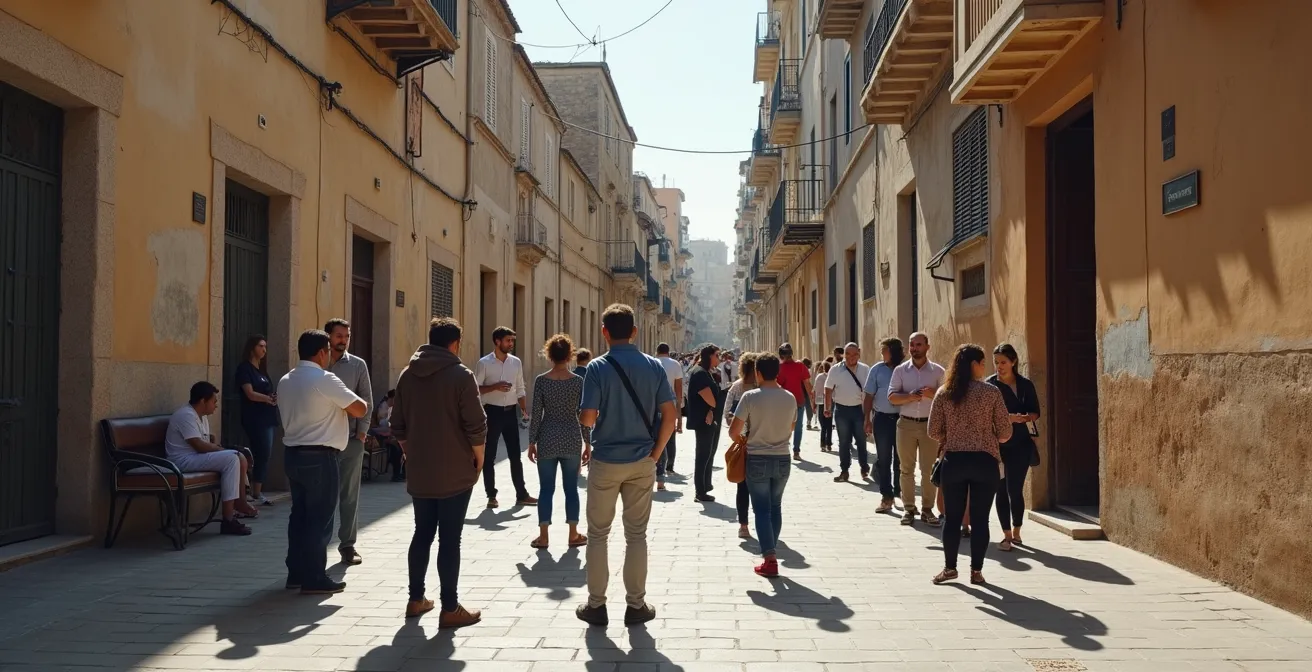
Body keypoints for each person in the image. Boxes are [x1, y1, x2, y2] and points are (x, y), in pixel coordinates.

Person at [576, 304, 677, 627]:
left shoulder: (596, 368)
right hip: (641, 461)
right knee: (637, 535)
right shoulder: (653, 367)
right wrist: (656, 453)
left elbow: (588, 417)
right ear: (634, 331)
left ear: (604, 332)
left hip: (606, 461)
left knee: (598, 534)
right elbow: (671, 416)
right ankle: (636, 606)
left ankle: (596, 605)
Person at [391, 318, 485, 627]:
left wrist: (410, 452)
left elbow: (397, 425)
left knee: (422, 532)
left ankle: (415, 598)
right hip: (456, 470)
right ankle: (450, 607)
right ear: (455, 343)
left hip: (421, 469)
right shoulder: (461, 375)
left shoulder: (407, 375)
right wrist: (479, 459)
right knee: (450, 539)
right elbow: (476, 425)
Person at [279, 329, 368, 595]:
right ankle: (315, 576)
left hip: (293, 453)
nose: (330, 355)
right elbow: (360, 408)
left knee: (300, 516)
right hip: (320, 456)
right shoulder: (325, 379)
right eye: (329, 350)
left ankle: (295, 572)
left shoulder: (286, 379)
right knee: (320, 518)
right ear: (321, 352)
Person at [928, 344, 1012, 585]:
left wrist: (951, 435)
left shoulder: (945, 392)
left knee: (952, 518)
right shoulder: (991, 392)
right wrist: (990, 436)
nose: (986, 367)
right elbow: (1005, 431)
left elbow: (933, 430)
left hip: (954, 461)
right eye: (983, 362)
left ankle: (949, 568)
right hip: (985, 462)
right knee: (980, 518)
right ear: (974, 365)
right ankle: (976, 571)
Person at [728, 353, 796, 578]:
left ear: (757, 372)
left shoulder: (750, 397)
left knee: (761, 510)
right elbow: (791, 427)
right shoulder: (790, 397)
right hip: (782, 457)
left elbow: (733, 431)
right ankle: (771, 550)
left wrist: (745, 442)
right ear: (777, 372)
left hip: (757, 457)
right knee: (775, 507)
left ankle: (770, 558)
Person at [165, 382, 259, 536]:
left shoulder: (201, 417)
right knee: (232, 458)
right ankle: (228, 519)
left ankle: (240, 502)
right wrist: (223, 450)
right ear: (203, 401)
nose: (216, 405)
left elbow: (207, 442)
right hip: (181, 461)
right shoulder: (185, 415)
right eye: (214, 401)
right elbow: (199, 445)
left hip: (195, 458)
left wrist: (219, 447)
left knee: (238, 456)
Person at [528, 334, 591, 549]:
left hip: (547, 437)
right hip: (571, 436)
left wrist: (531, 442)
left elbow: (536, 414)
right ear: (570, 355)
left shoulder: (541, 381)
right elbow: (584, 415)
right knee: (571, 488)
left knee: (546, 489)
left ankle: (544, 536)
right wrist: (588, 443)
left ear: (549, 355)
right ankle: (573, 534)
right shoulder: (578, 382)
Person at [325, 318, 373, 566]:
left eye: (346, 336)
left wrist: (362, 433)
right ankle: (319, 545)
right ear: (328, 337)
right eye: (339, 336)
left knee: (349, 495)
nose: (343, 340)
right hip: (321, 441)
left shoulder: (357, 365)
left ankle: (347, 545)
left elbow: (367, 399)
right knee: (322, 495)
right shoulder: (318, 363)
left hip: (350, 439)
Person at [472, 326, 536, 509]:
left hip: (510, 413)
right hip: (491, 413)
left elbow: (520, 387)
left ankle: (521, 494)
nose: (511, 344)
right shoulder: (484, 363)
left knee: (515, 455)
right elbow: (476, 389)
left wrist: (524, 410)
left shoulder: (516, 362)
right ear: (497, 341)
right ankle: (491, 496)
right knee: (490, 456)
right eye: (508, 340)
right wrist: (495, 386)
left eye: (512, 340)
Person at [888, 332, 946, 527]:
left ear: (927, 347)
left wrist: (933, 394)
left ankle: (928, 509)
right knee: (906, 469)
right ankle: (909, 508)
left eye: (918, 344)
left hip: (930, 425)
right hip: (906, 423)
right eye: (912, 345)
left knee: (929, 469)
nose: (914, 348)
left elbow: (947, 400)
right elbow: (892, 397)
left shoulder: (938, 372)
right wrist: (910, 397)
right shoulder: (900, 371)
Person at [989, 343, 1041, 551]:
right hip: (998, 446)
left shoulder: (1025, 385)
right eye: (996, 363)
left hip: (1021, 444)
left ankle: (1017, 531)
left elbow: (1036, 412)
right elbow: (986, 417)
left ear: (1013, 362)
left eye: (1003, 362)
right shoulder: (990, 387)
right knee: (1000, 489)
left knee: (1015, 489)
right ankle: (1006, 535)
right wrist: (1006, 418)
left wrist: (1025, 418)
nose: (999, 367)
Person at [235, 335, 278, 507]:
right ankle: (254, 492)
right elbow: (250, 393)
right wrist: (267, 399)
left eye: (265, 347)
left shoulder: (261, 369)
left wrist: (272, 398)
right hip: (254, 417)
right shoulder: (244, 369)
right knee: (261, 452)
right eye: (261, 346)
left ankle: (256, 491)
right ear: (252, 347)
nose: (264, 350)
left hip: (267, 416)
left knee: (264, 453)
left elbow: (266, 391)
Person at [863, 337, 904, 513]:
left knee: (901, 460)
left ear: (893, 352)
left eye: (884, 350)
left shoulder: (905, 370)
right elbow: (869, 396)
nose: (882, 353)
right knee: (884, 459)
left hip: (903, 420)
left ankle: (899, 493)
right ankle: (886, 496)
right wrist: (867, 419)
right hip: (882, 419)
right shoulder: (877, 370)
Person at [825, 343, 872, 483]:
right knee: (844, 442)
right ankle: (844, 471)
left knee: (861, 440)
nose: (851, 357)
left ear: (859, 353)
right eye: (848, 354)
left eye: (854, 354)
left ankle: (864, 467)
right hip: (841, 410)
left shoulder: (865, 369)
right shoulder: (835, 370)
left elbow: (870, 391)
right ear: (843, 355)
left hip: (859, 410)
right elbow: (828, 389)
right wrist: (827, 408)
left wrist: (869, 414)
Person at [724, 352, 758, 539]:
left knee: (743, 486)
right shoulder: (763, 387)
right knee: (758, 487)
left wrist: (738, 435)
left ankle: (743, 525)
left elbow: (727, 412)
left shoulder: (736, 388)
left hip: (744, 442)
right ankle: (756, 523)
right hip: (761, 441)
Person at [686, 343, 723, 502]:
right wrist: (712, 407)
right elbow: (709, 398)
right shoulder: (700, 373)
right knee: (703, 455)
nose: (719, 359)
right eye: (717, 355)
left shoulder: (705, 372)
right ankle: (700, 491)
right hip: (703, 421)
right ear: (709, 356)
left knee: (708, 454)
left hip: (707, 418)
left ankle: (705, 486)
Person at [775, 343, 814, 461]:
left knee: (783, 427)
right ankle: (796, 451)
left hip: (784, 403)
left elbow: (777, 385)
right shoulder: (800, 366)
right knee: (798, 427)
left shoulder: (780, 368)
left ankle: (783, 449)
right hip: (798, 401)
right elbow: (807, 384)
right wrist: (812, 400)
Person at [654, 343, 684, 489]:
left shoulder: (651, 362)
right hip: (670, 401)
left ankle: (656, 466)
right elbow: (679, 389)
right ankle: (669, 465)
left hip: (653, 403)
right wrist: (679, 412)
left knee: (655, 434)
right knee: (670, 437)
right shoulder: (675, 364)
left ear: (657, 352)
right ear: (668, 352)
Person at [814, 362, 833, 452]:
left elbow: (815, 390)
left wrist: (814, 403)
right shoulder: (832, 377)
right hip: (829, 402)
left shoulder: (819, 377)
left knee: (823, 426)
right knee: (829, 425)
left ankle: (823, 444)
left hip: (820, 402)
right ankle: (828, 444)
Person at [801, 358, 816, 430]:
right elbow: (810, 382)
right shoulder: (808, 371)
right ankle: (809, 421)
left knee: (800, 407)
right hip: (806, 391)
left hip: (801, 391)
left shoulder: (800, 370)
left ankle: (806, 421)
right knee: (808, 407)